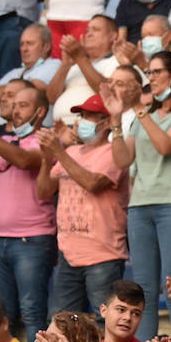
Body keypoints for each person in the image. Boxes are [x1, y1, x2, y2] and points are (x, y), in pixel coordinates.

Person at [107, 51, 171, 341]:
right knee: (143, 288)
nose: (150, 78)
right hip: (140, 206)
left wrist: (138, 108)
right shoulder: (142, 117)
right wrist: (115, 119)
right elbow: (123, 160)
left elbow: (166, 145)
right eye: (147, 73)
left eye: (155, 72)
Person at [0, 86, 54, 342]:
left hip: (33, 240)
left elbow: (25, 160)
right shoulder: (1, 143)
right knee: (1, 316)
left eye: (23, 106)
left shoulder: (47, 140)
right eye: (14, 106)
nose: (16, 111)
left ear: (40, 112)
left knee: (32, 312)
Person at [36, 94, 129, 314]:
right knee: (62, 325)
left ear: (106, 122)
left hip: (103, 254)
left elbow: (93, 183)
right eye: (82, 115)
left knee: (106, 321)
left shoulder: (113, 152)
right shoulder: (71, 152)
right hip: (68, 253)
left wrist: (58, 152)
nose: (83, 120)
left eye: (90, 115)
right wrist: (46, 156)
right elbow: (43, 191)